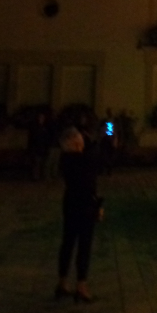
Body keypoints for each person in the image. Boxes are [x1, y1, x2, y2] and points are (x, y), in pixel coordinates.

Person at [55, 126, 102, 303]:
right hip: (85, 206)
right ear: (75, 143)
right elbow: (98, 149)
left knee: (67, 243)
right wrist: (109, 127)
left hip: (70, 204)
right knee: (84, 246)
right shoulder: (85, 160)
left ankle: (62, 282)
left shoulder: (66, 159)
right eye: (80, 141)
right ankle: (81, 286)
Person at [28, 112, 50, 181]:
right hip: (37, 148)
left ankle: (40, 176)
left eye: (43, 118)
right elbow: (32, 138)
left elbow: (46, 138)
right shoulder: (35, 127)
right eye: (40, 118)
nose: (41, 119)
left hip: (43, 147)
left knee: (42, 164)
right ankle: (36, 177)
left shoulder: (45, 127)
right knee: (36, 163)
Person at [98, 108, 119, 176]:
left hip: (110, 139)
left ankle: (108, 170)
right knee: (104, 154)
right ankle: (104, 169)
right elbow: (102, 130)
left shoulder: (114, 122)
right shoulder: (105, 121)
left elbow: (116, 131)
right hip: (106, 138)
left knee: (110, 155)